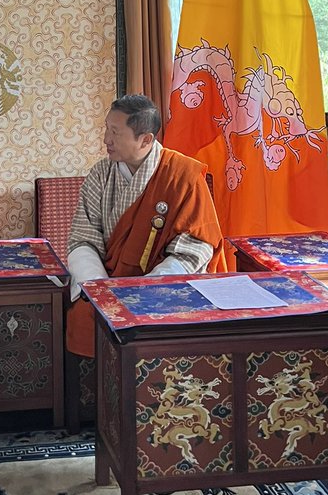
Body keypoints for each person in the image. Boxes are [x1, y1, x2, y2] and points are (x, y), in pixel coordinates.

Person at [66, 93, 224, 356]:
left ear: (146, 139)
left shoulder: (183, 175)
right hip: (107, 282)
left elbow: (195, 247)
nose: (106, 139)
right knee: (85, 314)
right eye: (107, 129)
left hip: (164, 286)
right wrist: (99, 288)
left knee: (168, 319)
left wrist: (148, 290)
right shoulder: (100, 174)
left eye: (115, 132)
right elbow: (83, 238)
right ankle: (96, 396)